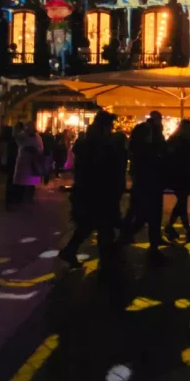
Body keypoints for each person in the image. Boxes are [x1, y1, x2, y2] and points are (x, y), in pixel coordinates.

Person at [60, 111, 126, 268]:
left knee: (89, 225)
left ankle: (71, 250)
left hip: (90, 191)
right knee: (103, 226)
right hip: (98, 191)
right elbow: (100, 168)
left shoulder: (88, 142)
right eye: (109, 126)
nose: (111, 129)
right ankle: (106, 261)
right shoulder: (99, 145)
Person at [118, 111, 167, 257]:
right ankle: (127, 238)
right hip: (150, 184)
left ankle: (128, 237)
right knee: (147, 215)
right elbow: (155, 160)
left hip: (144, 183)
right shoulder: (147, 148)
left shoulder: (140, 146)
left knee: (142, 213)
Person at [165, 119, 190, 243]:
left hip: (173, 174)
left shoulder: (172, 139)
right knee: (182, 202)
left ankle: (176, 228)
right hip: (185, 175)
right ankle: (181, 229)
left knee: (181, 202)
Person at [11, 121, 44, 202]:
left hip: (31, 162)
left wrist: (34, 150)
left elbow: (40, 148)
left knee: (30, 181)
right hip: (25, 161)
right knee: (23, 180)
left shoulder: (36, 137)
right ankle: (22, 196)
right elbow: (15, 136)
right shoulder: (24, 135)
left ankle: (28, 197)